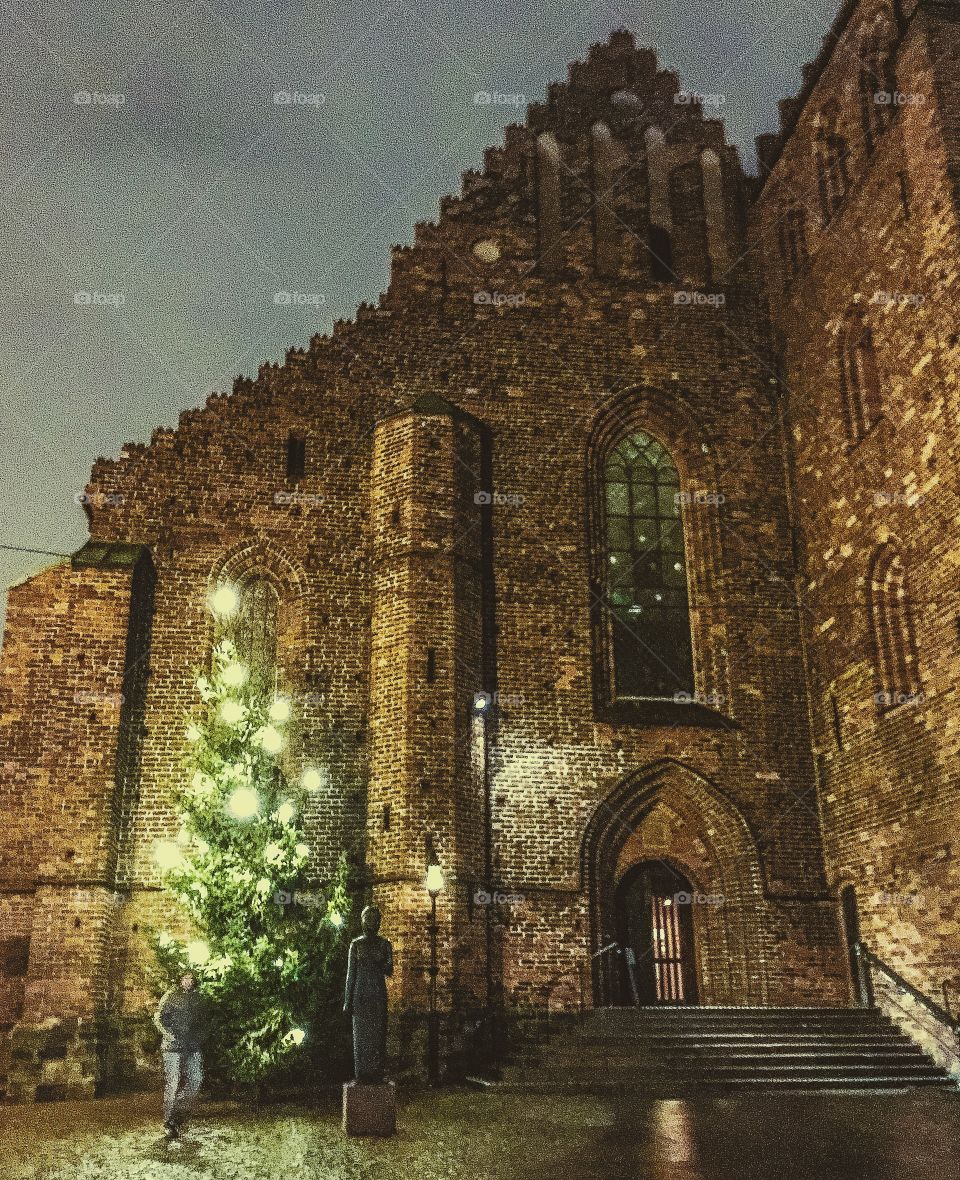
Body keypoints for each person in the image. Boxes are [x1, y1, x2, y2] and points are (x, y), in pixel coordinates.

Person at [154, 971, 207, 1141]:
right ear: (180, 979)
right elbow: (158, 1018)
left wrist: (199, 1037)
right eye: (185, 978)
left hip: (191, 1046)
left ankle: (177, 1114)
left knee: (196, 1080)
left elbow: (202, 1022)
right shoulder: (170, 996)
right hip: (172, 1047)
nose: (188, 982)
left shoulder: (198, 999)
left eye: (191, 979)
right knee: (173, 1083)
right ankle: (169, 1122)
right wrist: (168, 1035)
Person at [343, 905, 393, 1082]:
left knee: (378, 1034)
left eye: (374, 918)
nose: (371, 922)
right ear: (363, 921)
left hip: (378, 993)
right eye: (368, 918)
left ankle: (377, 1073)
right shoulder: (356, 945)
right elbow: (351, 975)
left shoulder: (384, 944)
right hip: (361, 994)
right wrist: (347, 1001)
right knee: (361, 1036)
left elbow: (389, 970)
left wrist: (381, 962)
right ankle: (362, 1074)